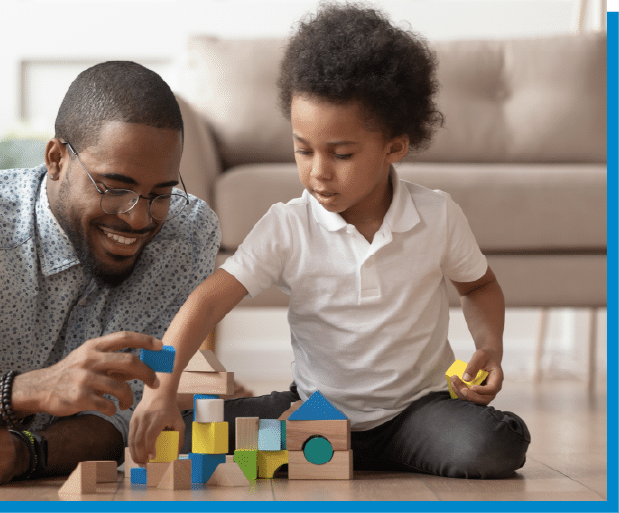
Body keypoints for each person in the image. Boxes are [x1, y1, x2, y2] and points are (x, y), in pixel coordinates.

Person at [129, 4, 530, 479]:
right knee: (189, 431)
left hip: (419, 414)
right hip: (317, 410)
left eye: (341, 154)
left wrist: (491, 348)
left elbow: (479, 286)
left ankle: (332, 455)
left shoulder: (436, 215)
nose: (318, 171)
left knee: (494, 446)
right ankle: (319, 446)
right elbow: (205, 302)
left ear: (394, 147)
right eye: (303, 149)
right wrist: (158, 392)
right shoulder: (288, 226)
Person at [0, 61, 220, 484]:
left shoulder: (185, 237)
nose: (139, 219)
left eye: (159, 194)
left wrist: (28, 452)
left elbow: (131, 412)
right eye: (114, 188)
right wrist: (20, 392)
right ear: (56, 159)